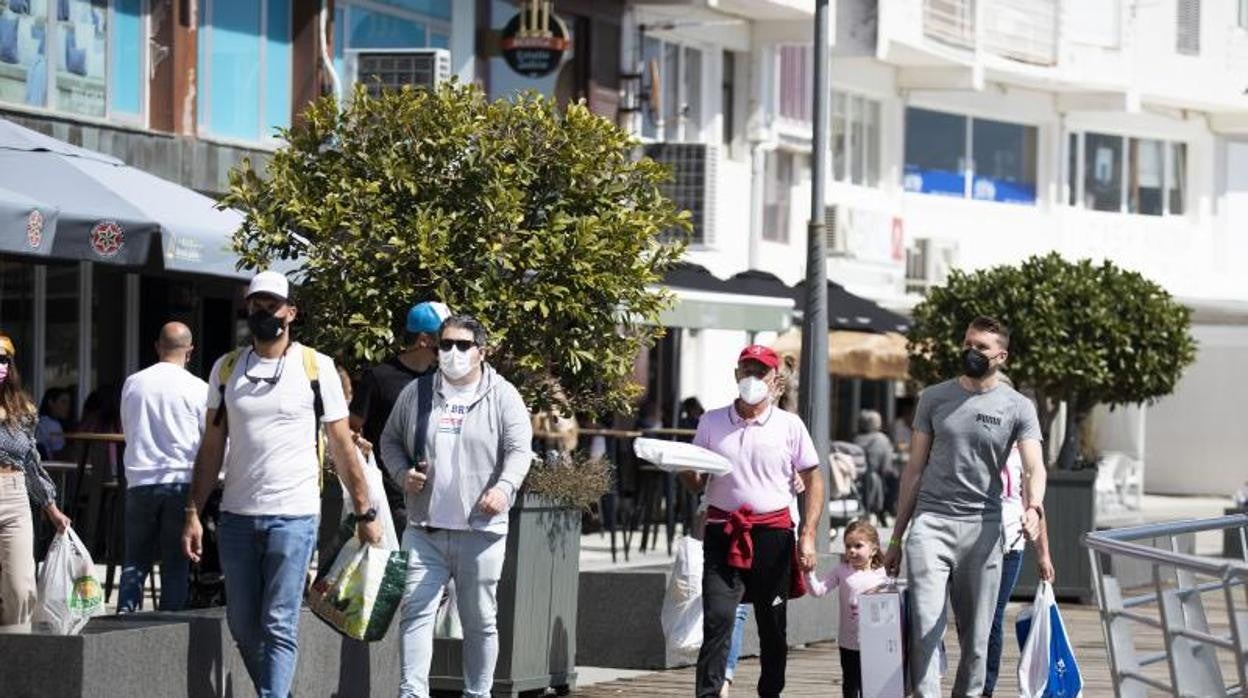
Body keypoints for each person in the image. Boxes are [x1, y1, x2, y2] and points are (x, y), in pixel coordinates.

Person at [181, 271, 381, 698]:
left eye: (272, 305)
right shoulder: (226, 369)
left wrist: (365, 511)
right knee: (241, 624)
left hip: (294, 516)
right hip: (236, 516)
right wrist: (193, 511)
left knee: (279, 621)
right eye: (256, 305)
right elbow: (211, 447)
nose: (262, 312)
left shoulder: (315, 367)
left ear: (291, 312)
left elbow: (342, 445)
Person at [883, 315, 1052, 697]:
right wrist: (896, 539)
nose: (971, 352)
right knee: (926, 627)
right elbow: (913, 470)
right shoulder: (934, 397)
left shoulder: (1018, 407)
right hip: (931, 524)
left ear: (1001, 356)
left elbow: (1033, 466)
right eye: (967, 344)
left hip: (984, 527)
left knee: (976, 641)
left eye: (981, 347)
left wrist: (1035, 507)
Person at [380, 314, 534, 698]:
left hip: (481, 532)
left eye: (463, 345)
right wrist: (402, 475)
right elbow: (389, 441)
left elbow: (520, 451)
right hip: (424, 529)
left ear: (481, 351)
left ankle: (477, 693)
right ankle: (412, 694)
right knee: (415, 613)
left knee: (480, 620)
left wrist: (504, 488)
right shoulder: (417, 392)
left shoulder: (503, 395)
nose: (452, 352)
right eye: (445, 344)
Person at [682, 344, 824, 698]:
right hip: (723, 532)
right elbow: (697, 480)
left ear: (774, 378)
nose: (752, 378)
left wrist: (807, 534)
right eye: (746, 370)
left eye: (760, 372)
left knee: (772, 623)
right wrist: (682, 468)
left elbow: (814, 477)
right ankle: (709, 693)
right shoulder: (711, 420)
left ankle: (770, 691)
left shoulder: (789, 425)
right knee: (717, 618)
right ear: (735, 375)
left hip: (773, 535)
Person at [116, 322, 207, 613]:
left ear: (157, 346)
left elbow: (128, 428)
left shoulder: (134, 383)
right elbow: (211, 441)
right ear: (190, 352)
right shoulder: (199, 389)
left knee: (134, 561)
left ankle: (123, 619)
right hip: (181, 481)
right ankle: (170, 630)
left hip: (140, 480)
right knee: (176, 563)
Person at [350, 301, 451, 536]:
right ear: (425, 339)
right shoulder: (379, 378)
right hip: (389, 498)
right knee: (394, 569)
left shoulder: (443, 382)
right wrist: (358, 442)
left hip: (433, 501)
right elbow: (351, 428)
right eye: (444, 338)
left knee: (423, 570)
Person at [983, 377, 1055, 697]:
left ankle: (985, 687)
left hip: (1011, 542)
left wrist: (1043, 555)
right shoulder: (976, 442)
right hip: (971, 542)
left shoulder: (1022, 452)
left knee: (994, 616)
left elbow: (1034, 505)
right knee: (972, 618)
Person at [0, 333, 71, 631]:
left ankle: (16, 660)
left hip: (14, 495)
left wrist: (51, 508)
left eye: (4, 358)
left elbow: (31, 463)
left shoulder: (23, 409)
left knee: (21, 587)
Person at [806, 519, 888, 698]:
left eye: (858, 546)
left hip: (874, 643)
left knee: (872, 686)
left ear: (873, 549)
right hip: (848, 643)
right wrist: (809, 573)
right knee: (850, 685)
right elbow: (818, 591)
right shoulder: (841, 571)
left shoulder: (882, 575)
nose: (851, 550)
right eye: (848, 546)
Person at [853, 409, 896, 522]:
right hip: (874, 479)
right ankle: (887, 512)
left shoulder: (856, 439)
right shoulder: (882, 439)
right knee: (894, 480)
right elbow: (886, 467)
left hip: (855, 480)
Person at [35, 386, 72, 459]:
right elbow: (59, 455)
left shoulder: (39, 421)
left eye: (69, 403)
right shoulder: (53, 426)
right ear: (51, 402)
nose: (68, 406)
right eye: (63, 402)